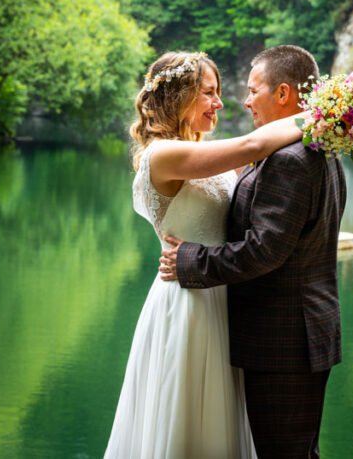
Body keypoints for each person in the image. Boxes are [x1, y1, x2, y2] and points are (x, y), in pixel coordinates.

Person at [104, 51, 302, 459]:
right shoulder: (164, 155)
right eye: (209, 93)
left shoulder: (200, 149)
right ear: (179, 98)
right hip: (188, 302)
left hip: (220, 294)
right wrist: (327, 114)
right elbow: (254, 144)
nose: (220, 103)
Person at [159, 45, 347, 459]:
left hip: (284, 340)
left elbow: (264, 250)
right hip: (299, 332)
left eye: (252, 89)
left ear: (283, 95)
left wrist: (191, 259)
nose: (244, 100)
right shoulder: (315, 148)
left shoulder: (290, 160)